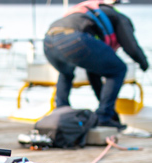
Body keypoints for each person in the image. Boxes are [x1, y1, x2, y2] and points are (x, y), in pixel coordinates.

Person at [43, 0, 148, 131]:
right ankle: (104, 117)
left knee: (66, 72)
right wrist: (144, 63)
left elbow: (93, 72)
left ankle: (61, 112)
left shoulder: (89, 12)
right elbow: (131, 47)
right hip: (74, 39)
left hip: (48, 40)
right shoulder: (120, 18)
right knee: (119, 69)